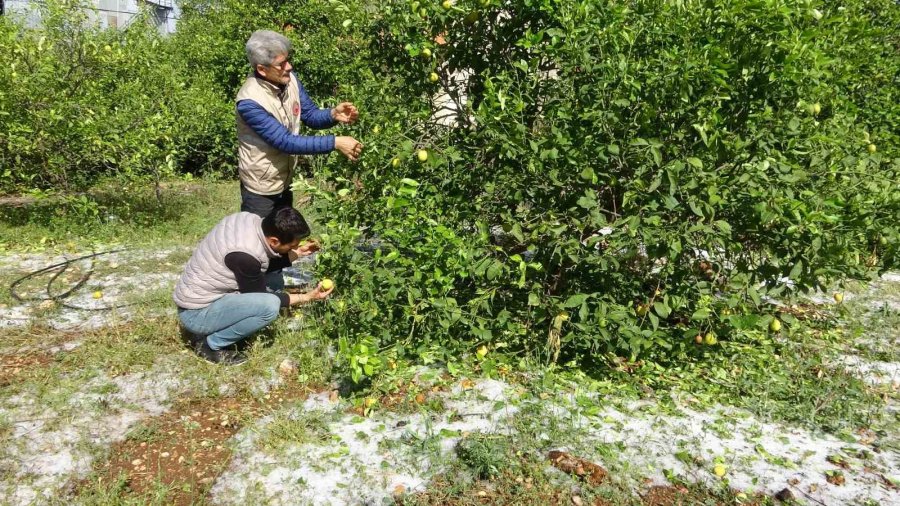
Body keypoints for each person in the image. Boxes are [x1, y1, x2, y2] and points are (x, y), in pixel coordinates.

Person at [173, 207, 332, 365]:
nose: (293, 249)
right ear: (274, 241)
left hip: (197, 298)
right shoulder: (245, 256)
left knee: (273, 282)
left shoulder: (249, 219)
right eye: (291, 246)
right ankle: (210, 345)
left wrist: (297, 253)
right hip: (196, 315)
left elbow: (258, 266)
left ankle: (226, 328)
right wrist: (307, 297)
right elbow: (261, 298)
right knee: (269, 307)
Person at [236, 29, 363, 218]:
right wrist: (336, 142)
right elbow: (286, 142)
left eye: (287, 59)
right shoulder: (249, 102)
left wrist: (333, 114)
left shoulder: (289, 81)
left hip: (284, 180)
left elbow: (310, 115)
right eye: (281, 64)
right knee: (258, 242)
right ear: (262, 69)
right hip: (260, 188)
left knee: (284, 240)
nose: (289, 67)